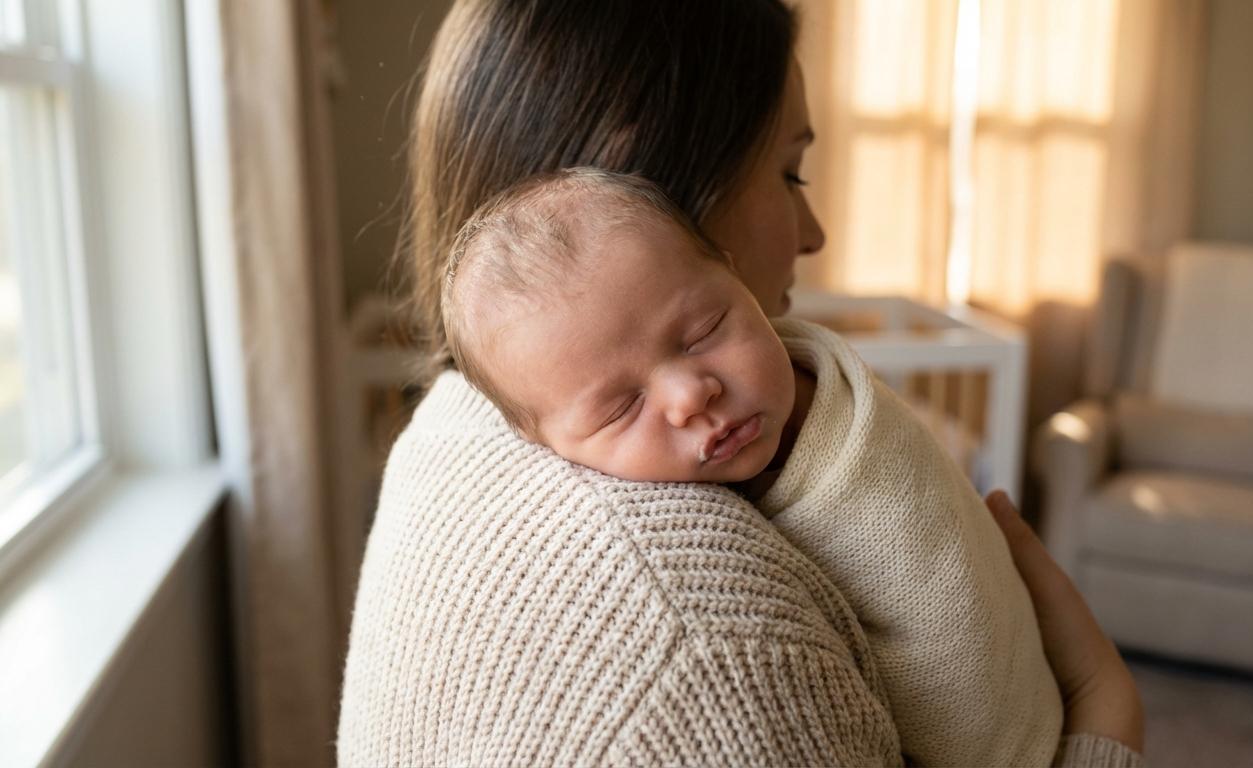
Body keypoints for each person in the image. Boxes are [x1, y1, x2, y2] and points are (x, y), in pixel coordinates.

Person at [337, 1, 1144, 765]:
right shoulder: (716, 662)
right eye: (792, 173)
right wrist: (1104, 719)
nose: (816, 234)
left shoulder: (451, 424)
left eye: (699, 336)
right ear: (646, 182)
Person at [439, 167, 1063, 766]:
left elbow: (955, 612)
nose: (690, 396)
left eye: (704, 330)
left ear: (735, 277)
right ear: (541, 444)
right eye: (622, 407)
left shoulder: (837, 426)